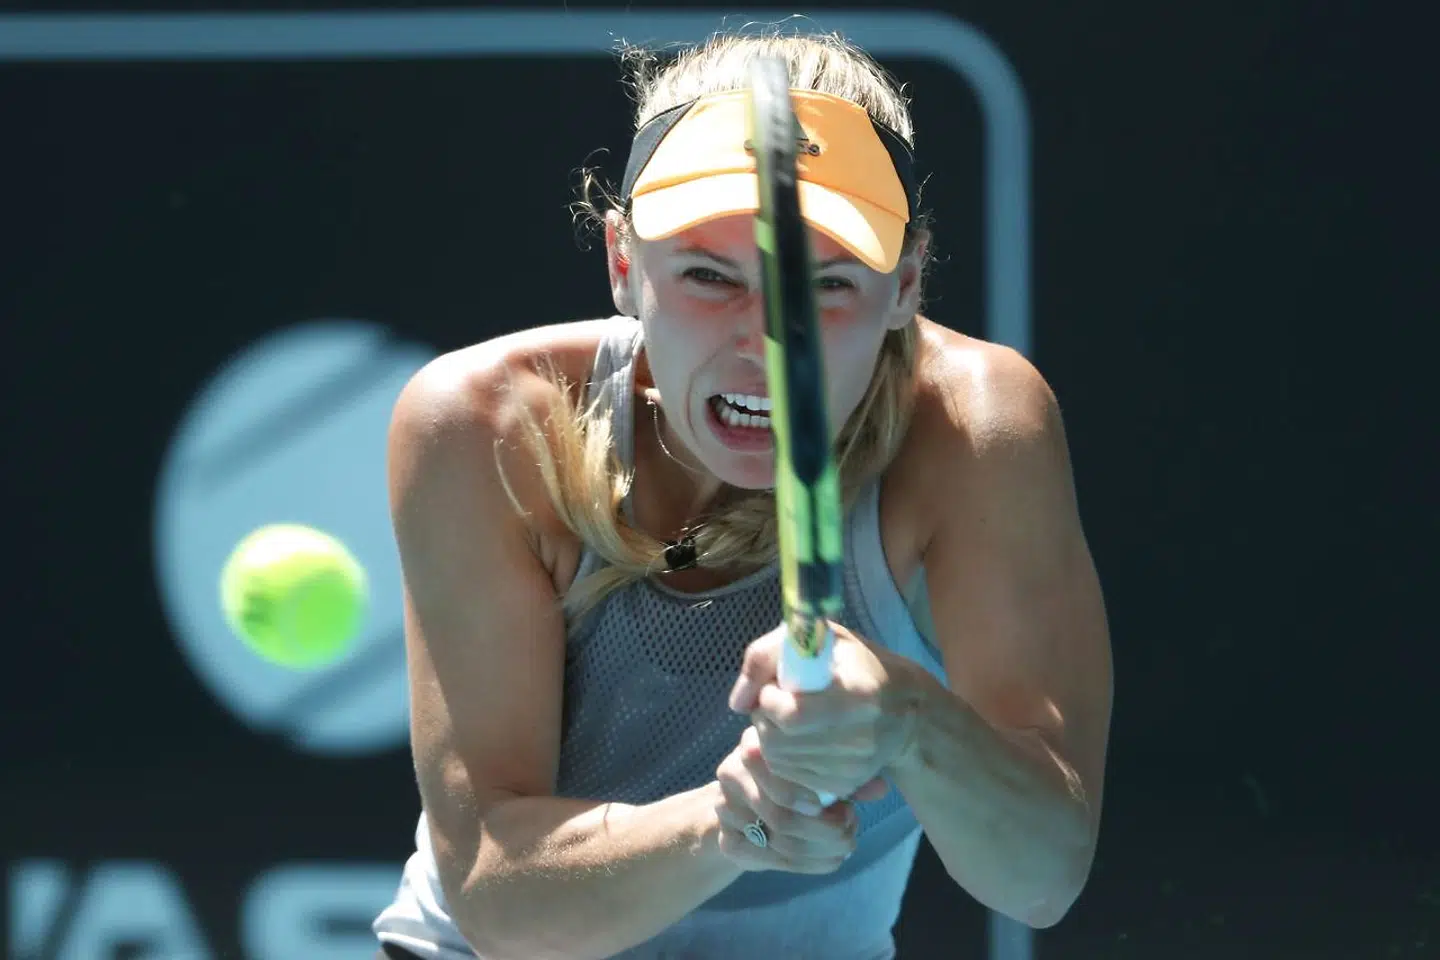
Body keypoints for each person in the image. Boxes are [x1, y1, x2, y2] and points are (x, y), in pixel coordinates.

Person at [371, 28, 1112, 960]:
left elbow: (1042, 876)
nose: (767, 339)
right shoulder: (487, 425)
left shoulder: (975, 428)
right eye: (709, 276)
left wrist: (908, 717)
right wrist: (730, 823)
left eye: (827, 285)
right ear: (623, 264)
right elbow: (498, 898)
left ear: (906, 285)